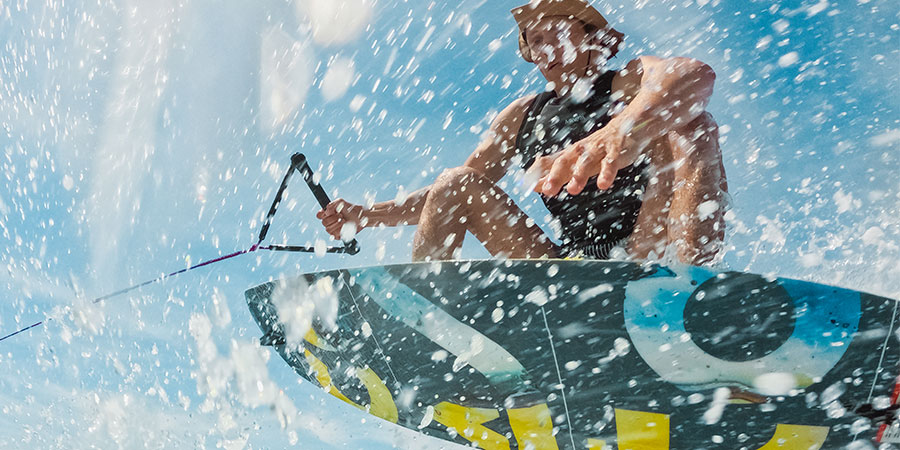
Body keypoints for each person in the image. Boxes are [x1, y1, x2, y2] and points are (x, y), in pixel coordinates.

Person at [317, 0, 728, 265]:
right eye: (536, 40)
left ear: (589, 38)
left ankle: (689, 296)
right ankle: (431, 321)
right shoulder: (522, 116)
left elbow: (692, 76)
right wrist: (366, 215)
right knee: (455, 184)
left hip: (649, 253)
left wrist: (623, 129)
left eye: (557, 32)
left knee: (692, 124)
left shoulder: (628, 82)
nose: (546, 47)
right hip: (567, 268)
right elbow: (440, 199)